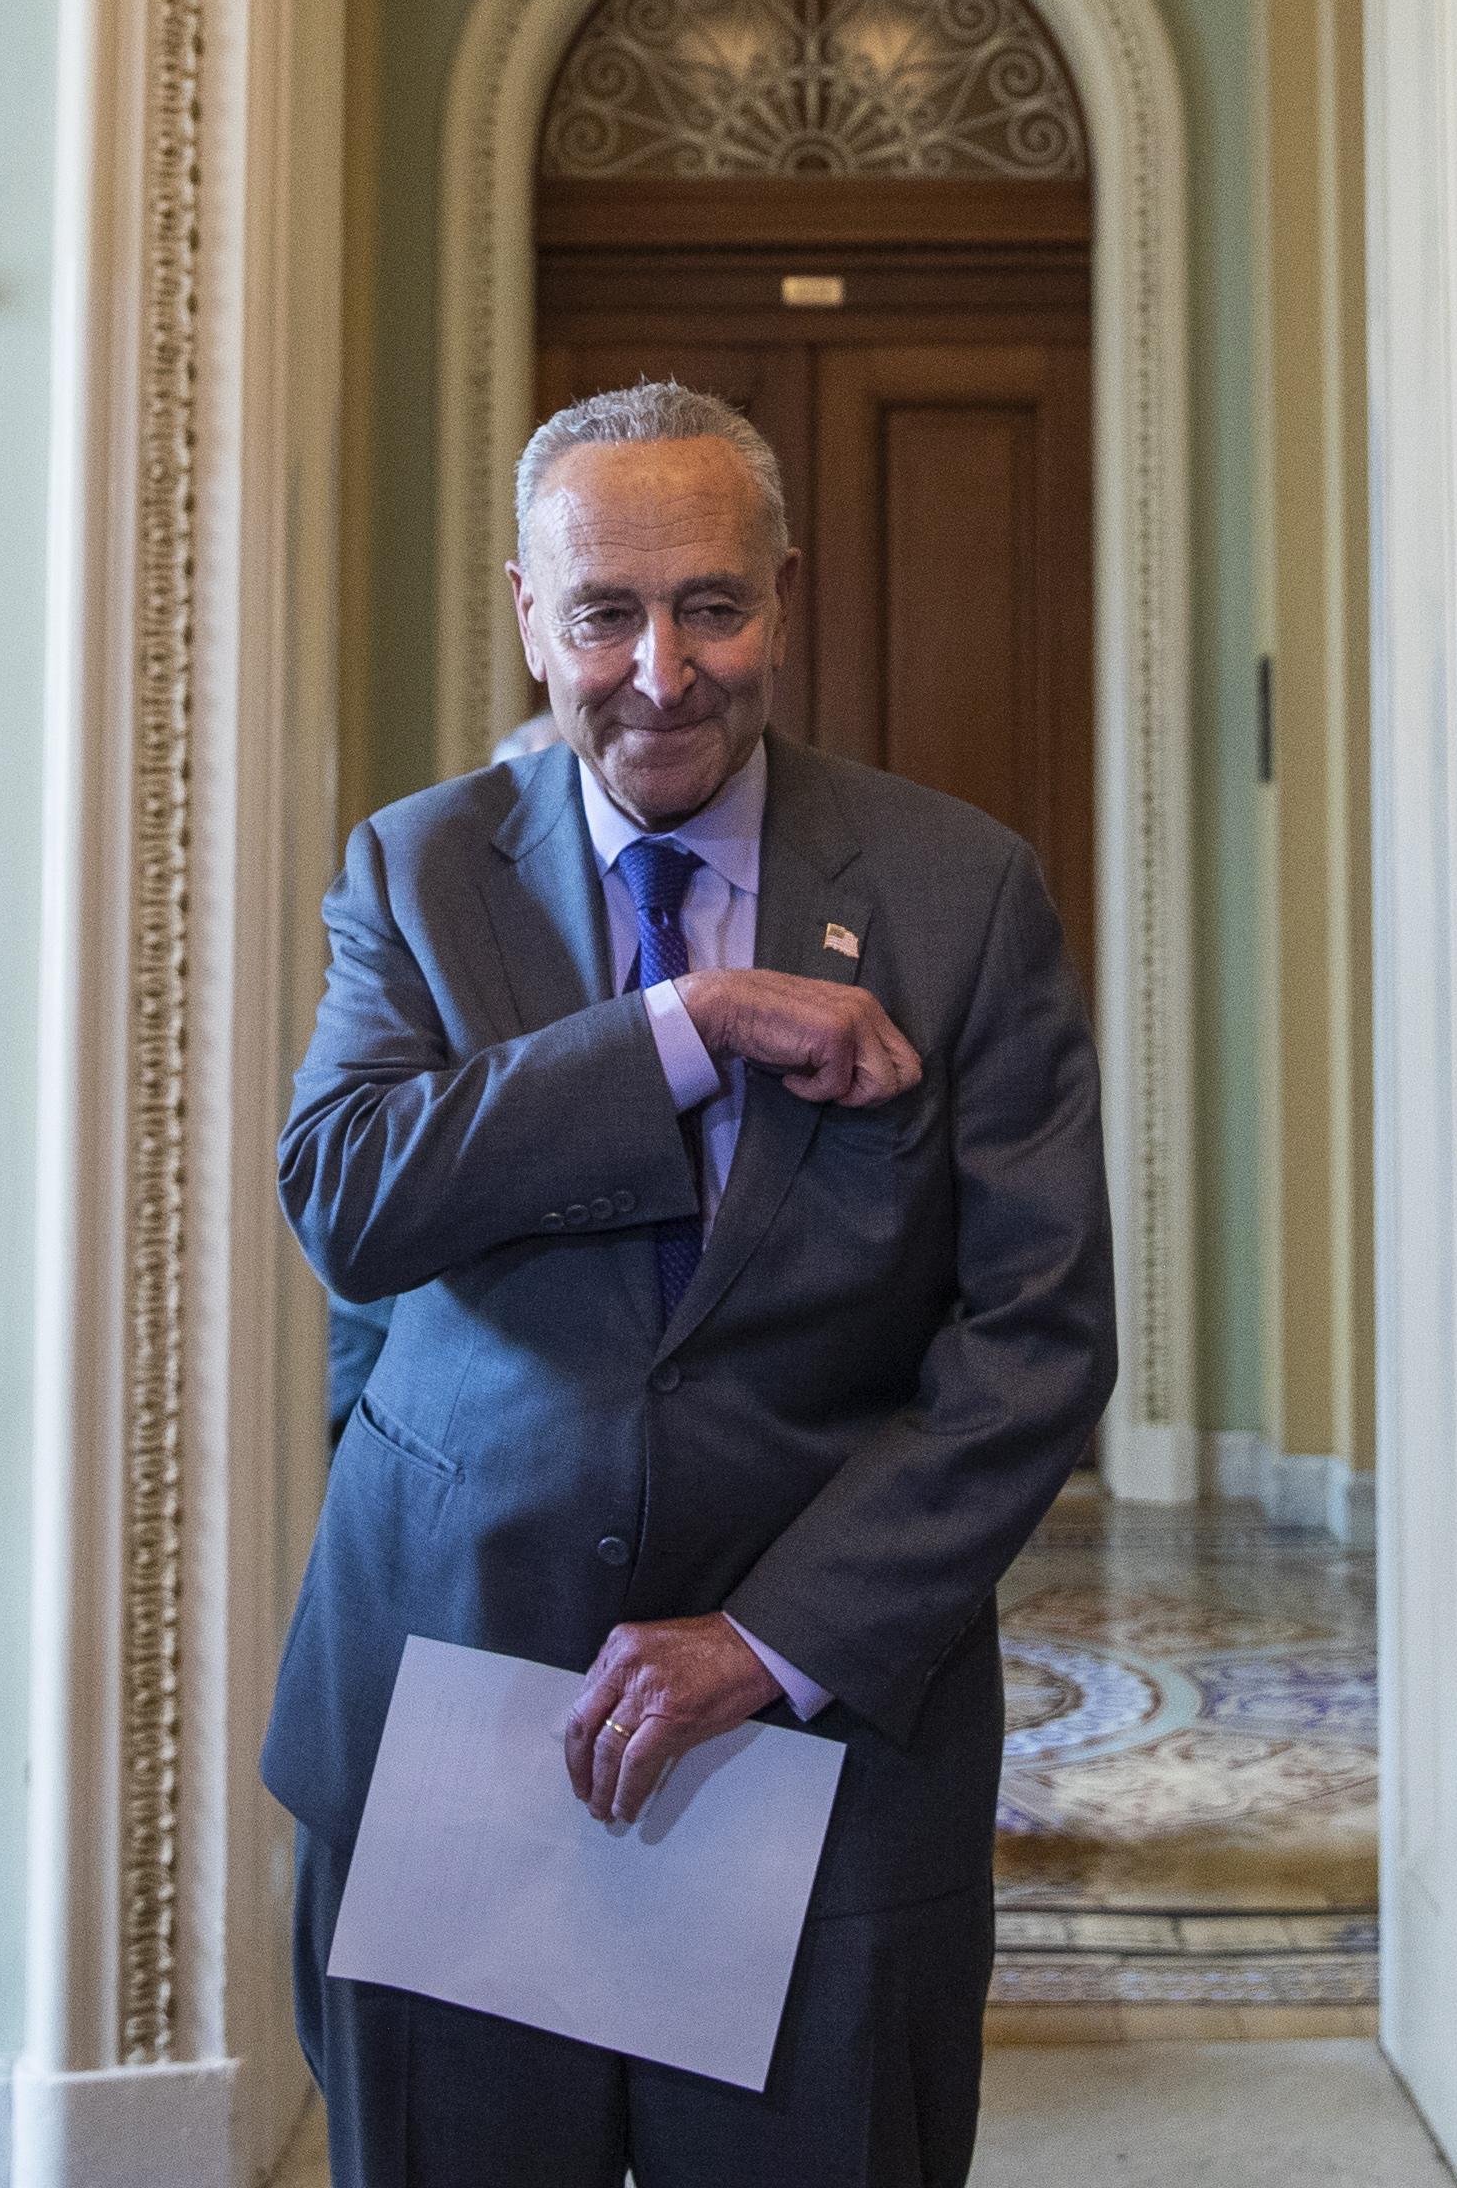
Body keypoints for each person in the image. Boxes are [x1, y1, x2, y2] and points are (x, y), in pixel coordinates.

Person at [268, 383, 1112, 2188]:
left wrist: (766, 1637)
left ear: (784, 596)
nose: (662, 670)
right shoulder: (416, 868)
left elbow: (1034, 1339)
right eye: (605, 613)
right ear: (525, 613)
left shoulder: (961, 891)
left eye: (712, 605)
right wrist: (686, 1022)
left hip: (814, 1741)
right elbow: (349, 1196)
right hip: (451, 1719)